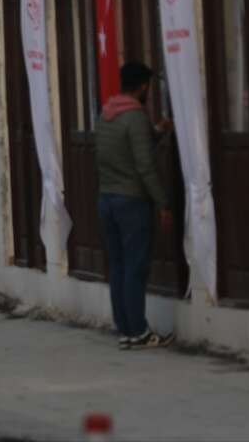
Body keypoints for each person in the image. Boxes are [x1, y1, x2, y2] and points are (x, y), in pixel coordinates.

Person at [96, 61, 174, 351]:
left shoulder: (106, 115)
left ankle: (126, 330)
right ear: (143, 87)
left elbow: (123, 150)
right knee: (135, 267)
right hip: (131, 203)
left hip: (106, 200)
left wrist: (156, 132)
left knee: (117, 266)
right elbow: (144, 164)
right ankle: (139, 330)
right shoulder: (135, 117)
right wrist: (162, 202)